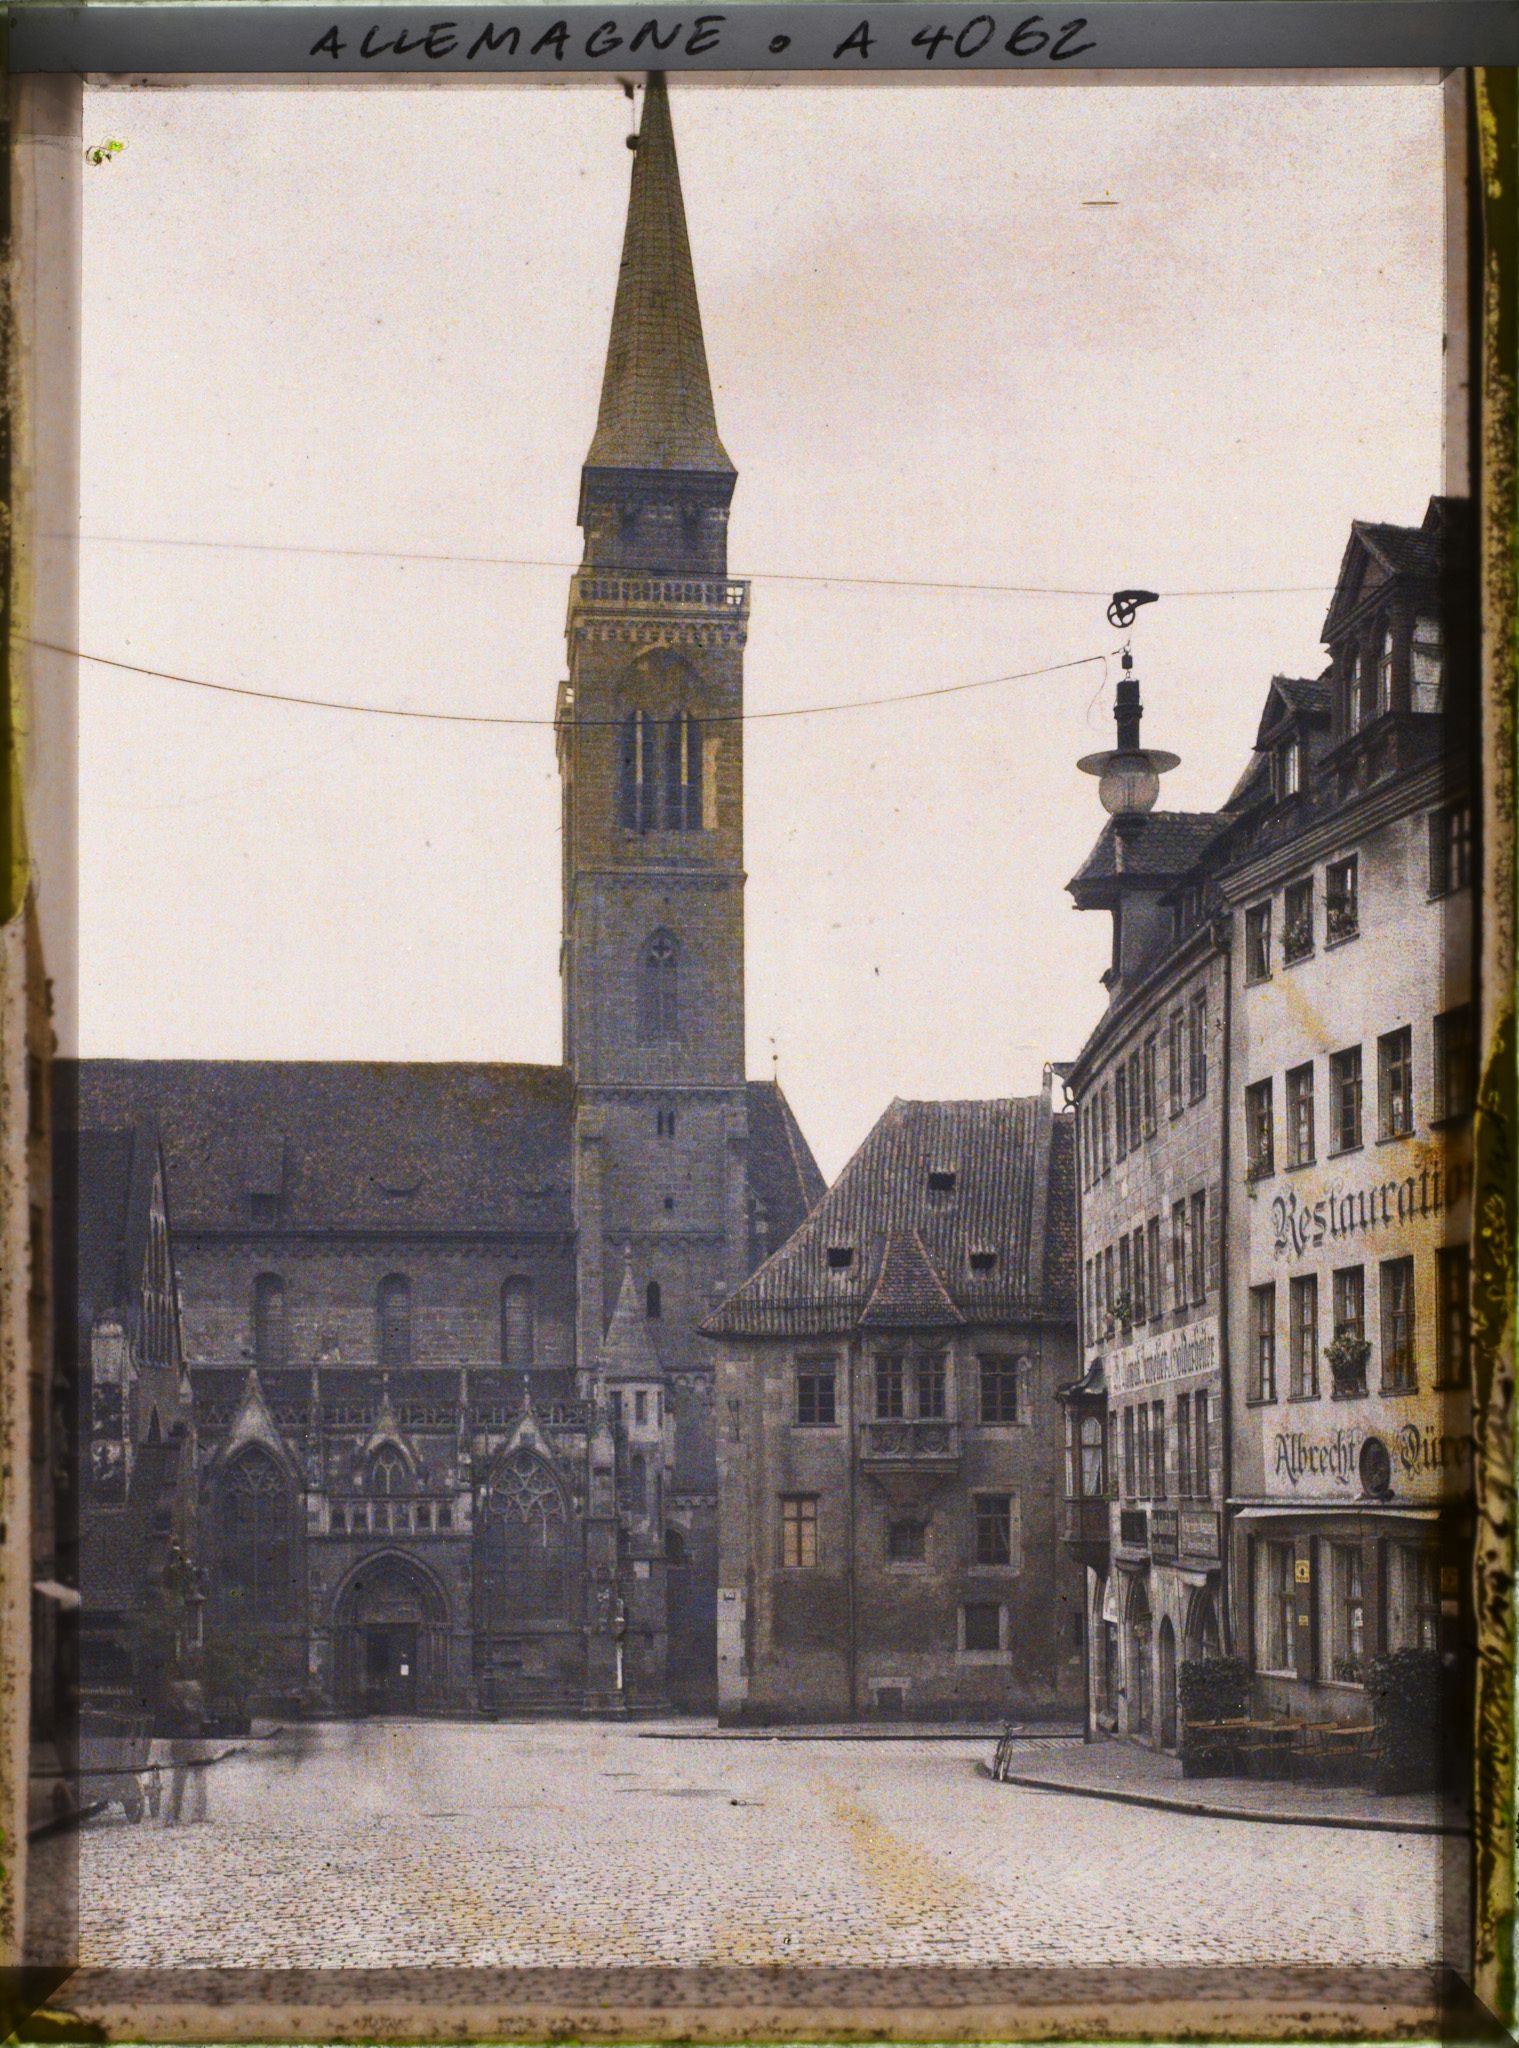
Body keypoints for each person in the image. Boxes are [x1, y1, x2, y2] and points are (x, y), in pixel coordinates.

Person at [161, 1676, 209, 1826]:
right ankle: (199, 1812)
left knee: (179, 1779)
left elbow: (169, 1725)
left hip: (182, 1744)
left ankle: (175, 1814)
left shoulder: (175, 1705)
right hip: (194, 1743)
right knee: (198, 1776)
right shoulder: (197, 1706)